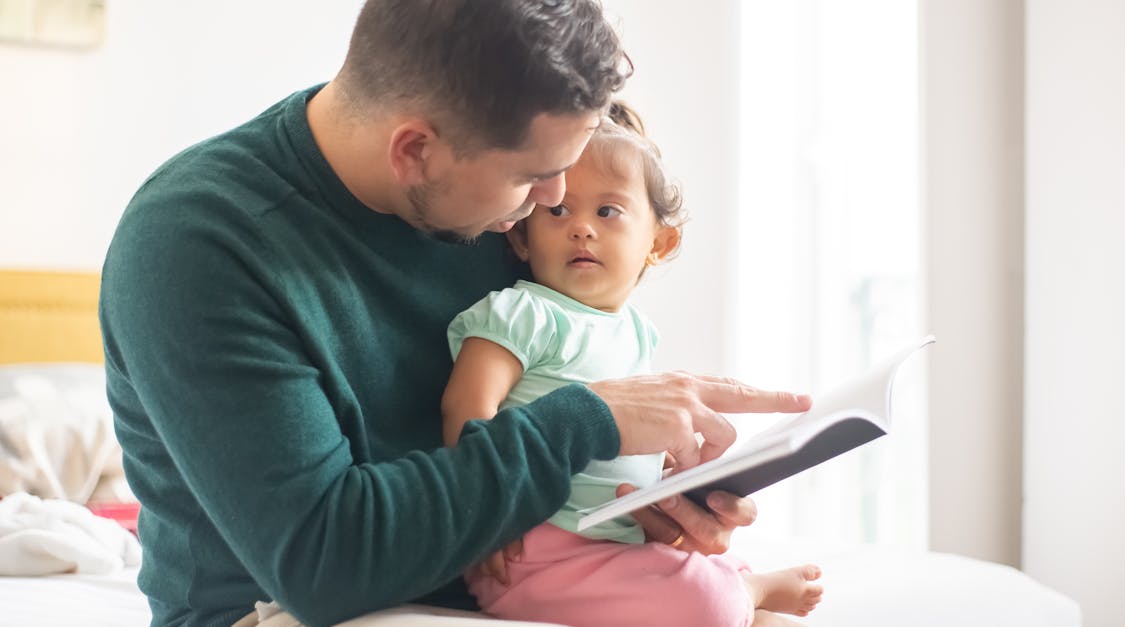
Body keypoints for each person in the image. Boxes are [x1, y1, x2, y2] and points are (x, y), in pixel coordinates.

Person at [99, 1, 811, 625]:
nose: (552, 201)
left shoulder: (492, 202)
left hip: (505, 583)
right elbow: (327, 567)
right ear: (416, 152)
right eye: (535, 177)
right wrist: (586, 420)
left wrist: (643, 505)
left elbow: (537, 436)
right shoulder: (198, 245)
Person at [442, 104, 823, 627]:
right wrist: (483, 515)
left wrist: (675, 480)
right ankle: (747, 593)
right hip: (532, 550)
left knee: (715, 567)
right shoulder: (522, 312)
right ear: (520, 238)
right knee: (709, 603)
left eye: (607, 212)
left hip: (615, 537)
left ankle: (744, 594)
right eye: (558, 212)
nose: (580, 228)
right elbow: (466, 405)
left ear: (659, 243)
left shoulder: (637, 334)